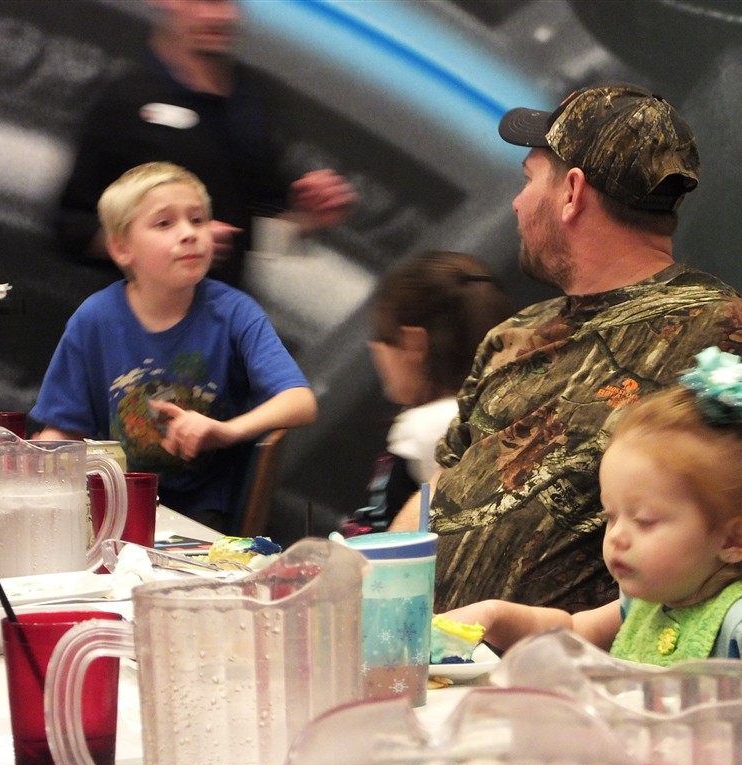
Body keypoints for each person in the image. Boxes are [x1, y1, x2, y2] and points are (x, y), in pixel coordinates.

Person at [391, 83, 742, 613]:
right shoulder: (510, 337)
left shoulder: (733, 331)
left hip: (586, 670)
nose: (517, 204)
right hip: (426, 656)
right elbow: (442, 487)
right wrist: (373, 578)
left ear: (571, 192)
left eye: (529, 179)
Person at [443, 348, 742, 664]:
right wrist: (494, 615)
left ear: (733, 540)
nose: (617, 536)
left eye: (645, 521)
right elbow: (571, 631)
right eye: (611, 516)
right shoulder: (644, 606)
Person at [32, 162, 318, 532]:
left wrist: (227, 430)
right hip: (114, 510)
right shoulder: (94, 319)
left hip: (203, 516)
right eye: (164, 223)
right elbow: (62, 431)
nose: (188, 234)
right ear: (121, 248)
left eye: (197, 220)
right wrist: (37, 469)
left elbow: (300, 401)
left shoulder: (235, 313)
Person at [56, 0, 356, 287]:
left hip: (218, 316)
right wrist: (164, 243)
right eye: (204, 1)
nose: (220, 17)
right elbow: (71, 229)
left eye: (227, 2)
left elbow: (250, 237)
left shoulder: (252, 100)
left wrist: (309, 220)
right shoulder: (124, 98)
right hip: (134, 315)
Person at [340, 251, 515, 535]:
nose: (375, 350)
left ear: (414, 343)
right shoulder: (513, 408)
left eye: (382, 337)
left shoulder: (421, 429)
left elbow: (378, 537)